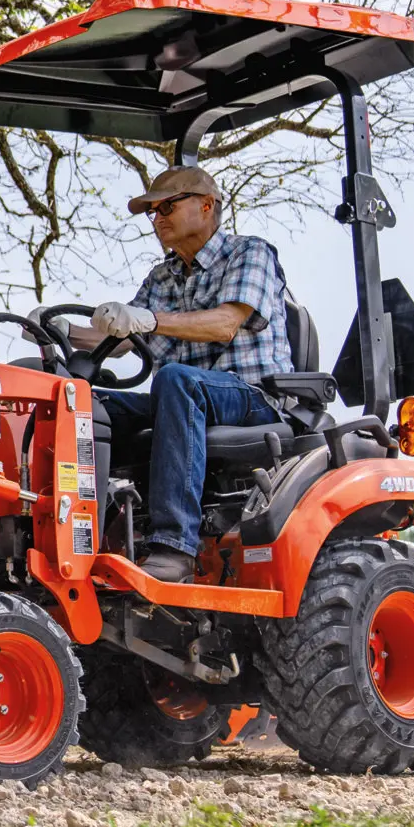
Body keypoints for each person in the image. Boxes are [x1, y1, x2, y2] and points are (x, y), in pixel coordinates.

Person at [83, 166, 292, 584]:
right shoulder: (162, 276)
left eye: (167, 207)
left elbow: (225, 324)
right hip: (183, 398)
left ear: (206, 205)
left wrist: (149, 319)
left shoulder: (249, 253)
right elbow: (124, 339)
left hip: (253, 398)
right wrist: (61, 331)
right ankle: (90, 534)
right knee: (85, 404)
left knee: (177, 380)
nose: (157, 219)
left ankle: (174, 545)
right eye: (153, 212)